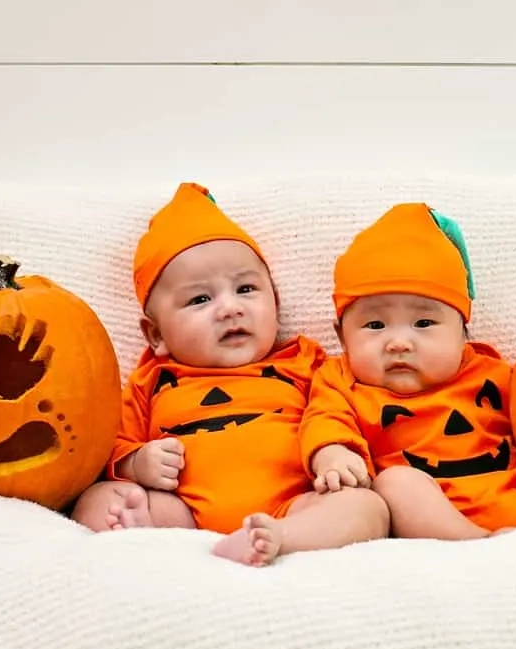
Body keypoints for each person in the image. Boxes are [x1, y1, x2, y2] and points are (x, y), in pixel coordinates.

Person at [71, 182, 388, 565]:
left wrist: (332, 452)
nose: (229, 309)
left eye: (246, 289)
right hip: (181, 514)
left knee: (367, 507)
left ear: (275, 302)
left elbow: (333, 410)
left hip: (294, 504)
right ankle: (140, 529)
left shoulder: (305, 361)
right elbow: (110, 444)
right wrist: (136, 463)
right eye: (200, 299)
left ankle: (279, 537)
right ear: (156, 334)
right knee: (96, 499)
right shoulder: (151, 381)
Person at [299, 202, 516, 539]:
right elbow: (324, 419)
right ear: (343, 337)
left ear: (462, 328)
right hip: (427, 514)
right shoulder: (341, 380)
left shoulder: (494, 374)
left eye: (423, 323)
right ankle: (476, 541)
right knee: (394, 483)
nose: (398, 342)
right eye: (375, 325)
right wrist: (333, 455)